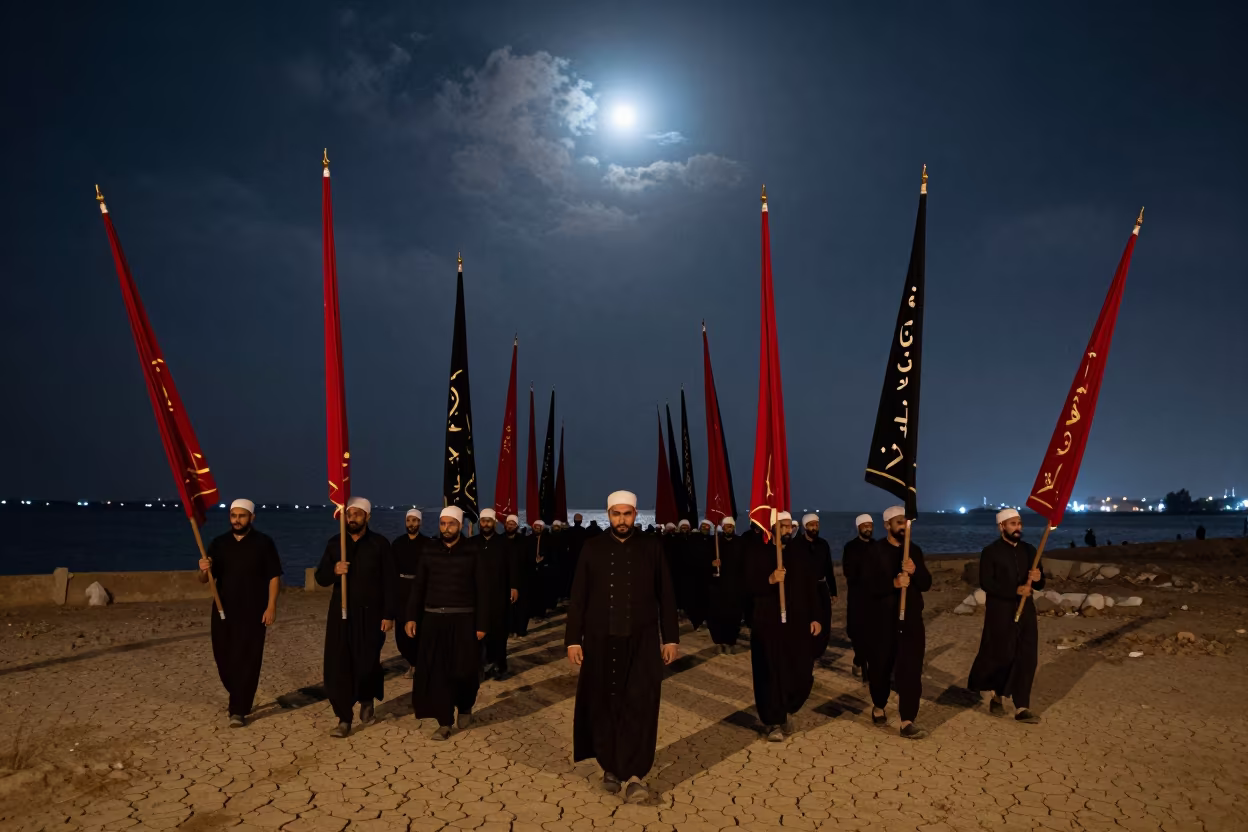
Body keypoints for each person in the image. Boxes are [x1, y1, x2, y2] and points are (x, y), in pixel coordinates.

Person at [565, 490, 679, 804]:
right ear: (608, 515)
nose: (622, 520)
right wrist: (573, 639)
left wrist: (670, 638)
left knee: (640, 706)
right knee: (604, 705)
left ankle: (634, 775)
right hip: (600, 642)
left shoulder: (651, 547)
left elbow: (666, 595)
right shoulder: (592, 548)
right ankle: (610, 767)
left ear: (635, 514)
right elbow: (578, 598)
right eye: (616, 514)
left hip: (641, 642)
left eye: (627, 514)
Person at [314, 497, 396, 738]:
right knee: (338, 664)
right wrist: (334, 570)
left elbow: (390, 583)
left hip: (371, 616)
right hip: (340, 615)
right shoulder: (335, 544)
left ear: (367, 517)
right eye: (349, 514)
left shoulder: (380, 544)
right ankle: (343, 717)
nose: (352, 518)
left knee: (367, 662)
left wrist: (389, 614)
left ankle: (367, 698)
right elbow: (320, 578)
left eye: (358, 514)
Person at [405, 506, 488, 740]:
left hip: (464, 620)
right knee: (438, 673)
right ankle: (444, 721)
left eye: (451, 524)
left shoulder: (473, 551)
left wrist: (482, 624)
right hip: (433, 620)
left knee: (464, 671)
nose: (446, 528)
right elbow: (418, 586)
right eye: (443, 524)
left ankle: (465, 705)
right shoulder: (429, 550)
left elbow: (483, 590)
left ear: (460, 525)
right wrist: (412, 616)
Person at [199, 498, 282, 727]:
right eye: (234, 516)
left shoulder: (264, 543)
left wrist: (271, 606)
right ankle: (237, 693)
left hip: (254, 610)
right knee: (223, 658)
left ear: (251, 518)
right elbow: (204, 579)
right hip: (223, 609)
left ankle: (239, 708)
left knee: (248, 659)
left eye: (242, 516)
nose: (237, 520)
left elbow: (274, 576)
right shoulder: (219, 543)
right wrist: (203, 569)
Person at [747, 511, 821, 742]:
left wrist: (815, 616)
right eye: (784, 526)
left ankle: (787, 708)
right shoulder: (757, 552)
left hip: (797, 623)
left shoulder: (799, 553)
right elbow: (745, 585)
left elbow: (811, 587)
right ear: (773, 528)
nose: (788, 530)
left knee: (800, 672)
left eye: (790, 526)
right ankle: (772, 720)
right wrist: (769, 580)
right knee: (770, 672)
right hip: (767, 622)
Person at [967, 509, 1044, 724]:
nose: (1017, 528)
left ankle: (1022, 706)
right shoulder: (990, 552)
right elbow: (987, 583)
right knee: (1002, 654)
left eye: (1019, 523)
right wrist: (1014, 591)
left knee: (1027, 657)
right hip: (1000, 611)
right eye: (1012, 524)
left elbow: (1041, 583)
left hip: (1026, 611)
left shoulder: (1030, 551)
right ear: (1002, 526)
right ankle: (997, 696)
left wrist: (1037, 578)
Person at [863, 505, 932, 739]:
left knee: (911, 670)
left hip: (911, 619)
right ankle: (879, 704)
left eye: (907, 522)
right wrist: (893, 584)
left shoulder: (915, 550)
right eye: (900, 522)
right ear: (888, 525)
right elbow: (867, 587)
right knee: (881, 668)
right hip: (883, 620)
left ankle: (907, 720)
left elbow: (926, 583)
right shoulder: (874, 551)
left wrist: (915, 571)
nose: (904, 526)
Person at [475, 508, 518, 680]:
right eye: (483, 521)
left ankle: (500, 665)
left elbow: (512, 567)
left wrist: (514, 586)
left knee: (499, 632)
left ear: (494, 523)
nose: (486, 524)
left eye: (489, 521)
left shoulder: (503, 543)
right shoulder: (472, 543)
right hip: (477, 595)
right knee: (478, 633)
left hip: (499, 594)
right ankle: (481, 666)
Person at [791, 513, 837, 665]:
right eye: (811, 525)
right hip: (803, 589)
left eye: (816, 525)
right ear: (805, 527)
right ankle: (806, 650)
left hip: (821, 587)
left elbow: (829, 568)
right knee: (807, 618)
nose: (814, 528)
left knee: (825, 619)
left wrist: (834, 590)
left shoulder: (823, 544)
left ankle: (819, 651)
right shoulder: (796, 545)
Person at [392, 509, 427, 678]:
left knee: (418, 632)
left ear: (419, 523)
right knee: (401, 635)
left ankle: (417, 665)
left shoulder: (428, 544)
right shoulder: (398, 543)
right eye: (409, 520)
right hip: (401, 591)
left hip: (420, 591)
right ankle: (411, 661)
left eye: (414, 520)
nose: (411, 524)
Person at [841, 514, 874, 680]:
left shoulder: (878, 546)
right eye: (865, 525)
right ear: (858, 527)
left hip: (875, 598)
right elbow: (849, 572)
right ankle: (858, 660)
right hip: (858, 598)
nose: (868, 528)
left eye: (870, 525)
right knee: (857, 632)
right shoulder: (851, 547)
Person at [707, 517, 746, 653]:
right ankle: (719, 640)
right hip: (719, 585)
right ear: (722, 528)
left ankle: (730, 641)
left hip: (735, 585)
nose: (728, 529)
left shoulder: (740, 543)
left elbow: (744, 563)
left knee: (733, 615)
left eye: (731, 526)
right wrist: (711, 564)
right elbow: (704, 562)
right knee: (719, 614)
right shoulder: (715, 543)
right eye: (726, 526)